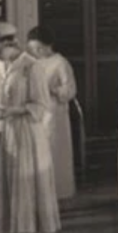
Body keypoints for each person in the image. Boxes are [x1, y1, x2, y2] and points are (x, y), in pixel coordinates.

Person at [0, 23, 60, 233]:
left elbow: (41, 105)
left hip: (27, 134)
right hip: (5, 134)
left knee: (27, 187)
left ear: (8, 43)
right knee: (11, 188)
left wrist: (10, 111)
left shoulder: (31, 67)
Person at [26, 26, 77, 201]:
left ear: (49, 45)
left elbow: (70, 91)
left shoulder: (60, 63)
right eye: (33, 49)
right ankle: (38, 196)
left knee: (53, 153)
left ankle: (56, 195)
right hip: (35, 114)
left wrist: (53, 89)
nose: (36, 52)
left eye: (39, 48)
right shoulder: (32, 63)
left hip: (54, 114)